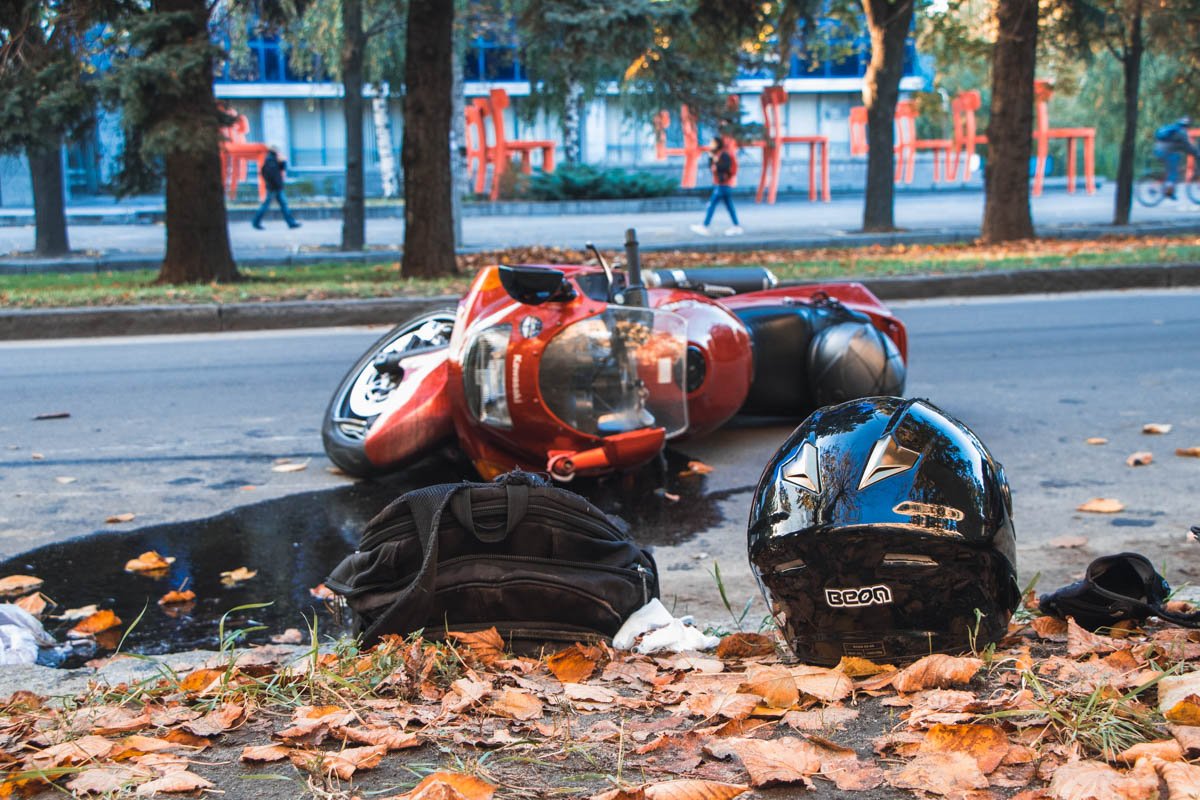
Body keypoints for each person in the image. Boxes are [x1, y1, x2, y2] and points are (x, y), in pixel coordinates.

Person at [690, 136, 743, 236]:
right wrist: (711, 158)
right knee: (729, 206)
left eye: (712, 142)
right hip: (722, 184)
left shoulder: (723, 155)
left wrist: (716, 162)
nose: (710, 144)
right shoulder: (716, 154)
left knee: (712, 204)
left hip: (723, 184)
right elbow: (711, 167)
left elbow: (724, 167)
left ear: (717, 143)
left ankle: (705, 225)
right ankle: (736, 226)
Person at [252, 146, 301, 229]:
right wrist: (275, 185)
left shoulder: (273, 160)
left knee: (282, 205)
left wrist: (283, 161)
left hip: (275, 187)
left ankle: (291, 223)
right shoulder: (270, 160)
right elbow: (270, 175)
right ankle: (256, 222)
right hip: (273, 188)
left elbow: (281, 169)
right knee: (268, 205)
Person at [1153, 116, 1199, 199]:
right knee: (1173, 171)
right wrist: (1196, 153)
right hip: (1165, 152)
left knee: (1176, 159)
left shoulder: (1175, 130)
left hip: (1159, 150)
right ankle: (1169, 191)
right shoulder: (1181, 133)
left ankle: (1169, 188)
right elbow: (1187, 146)